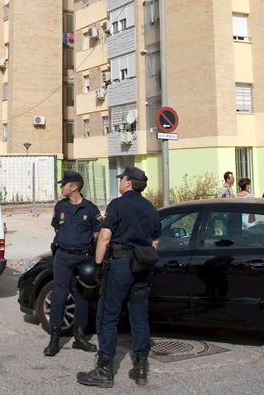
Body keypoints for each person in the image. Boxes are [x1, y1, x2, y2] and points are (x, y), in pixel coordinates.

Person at [77, 165, 160, 388]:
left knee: (108, 315)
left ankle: (104, 371)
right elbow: (154, 243)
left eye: (122, 178)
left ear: (129, 182)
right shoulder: (151, 208)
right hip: (142, 265)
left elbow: (104, 237)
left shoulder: (117, 204)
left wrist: (97, 265)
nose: (120, 181)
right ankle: (141, 369)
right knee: (139, 314)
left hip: (121, 263)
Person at [44, 170, 101, 357]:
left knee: (82, 296)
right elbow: (56, 226)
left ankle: (80, 336)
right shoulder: (60, 206)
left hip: (82, 258)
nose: (61, 187)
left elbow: (97, 233)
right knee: (59, 295)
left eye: (64, 184)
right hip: (62, 256)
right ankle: (54, 339)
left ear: (74, 187)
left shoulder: (91, 209)